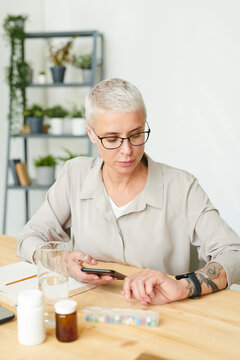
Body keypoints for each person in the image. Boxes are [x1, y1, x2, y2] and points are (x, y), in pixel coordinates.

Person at [17, 78, 240, 305]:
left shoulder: (182, 187)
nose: (127, 151)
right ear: (91, 134)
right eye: (112, 139)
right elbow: (29, 238)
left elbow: (234, 253)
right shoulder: (75, 174)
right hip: (92, 313)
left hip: (162, 318)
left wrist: (184, 286)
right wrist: (61, 262)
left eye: (136, 135)